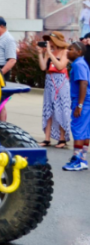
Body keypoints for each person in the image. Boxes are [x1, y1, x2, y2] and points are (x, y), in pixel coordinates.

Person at [38, 32, 71, 148]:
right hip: (49, 82)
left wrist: (50, 55)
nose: (49, 43)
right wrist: (40, 54)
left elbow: (60, 66)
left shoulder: (65, 52)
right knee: (48, 109)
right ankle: (47, 138)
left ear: (56, 41)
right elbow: (43, 67)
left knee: (61, 109)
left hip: (61, 82)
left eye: (50, 40)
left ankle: (62, 139)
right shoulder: (49, 52)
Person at [64, 42, 90, 171]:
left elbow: (83, 83)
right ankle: (83, 159)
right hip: (87, 101)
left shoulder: (79, 64)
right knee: (85, 131)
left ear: (79, 52)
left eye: (71, 49)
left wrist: (79, 105)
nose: (67, 51)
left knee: (78, 130)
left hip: (83, 102)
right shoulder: (81, 63)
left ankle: (77, 159)